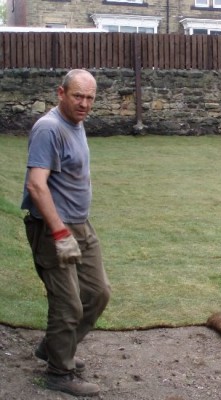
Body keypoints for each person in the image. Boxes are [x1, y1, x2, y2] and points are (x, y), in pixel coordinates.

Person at [21, 69, 111, 397]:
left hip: (81, 224)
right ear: (61, 93)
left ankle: (54, 346)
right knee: (68, 303)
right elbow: (36, 184)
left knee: (98, 292)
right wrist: (60, 234)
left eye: (90, 98)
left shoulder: (76, 122)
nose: (84, 104)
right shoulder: (49, 128)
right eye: (78, 96)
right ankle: (59, 372)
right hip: (52, 227)